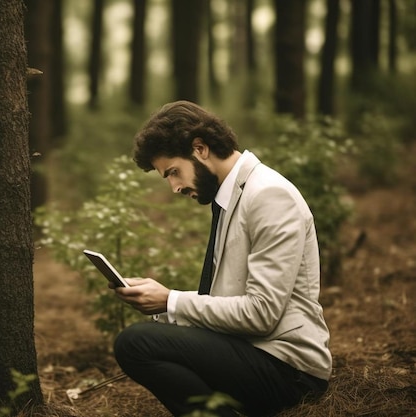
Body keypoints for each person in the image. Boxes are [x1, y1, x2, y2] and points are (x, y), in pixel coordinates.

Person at [112, 101, 332, 417]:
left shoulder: (268, 195)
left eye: (173, 172)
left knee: (135, 344)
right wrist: (163, 306)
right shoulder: (231, 196)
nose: (174, 187)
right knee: (142, 340)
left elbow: (261, 313)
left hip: (289, 369)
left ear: (200, 148)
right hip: (253, 351)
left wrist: (170, 301)